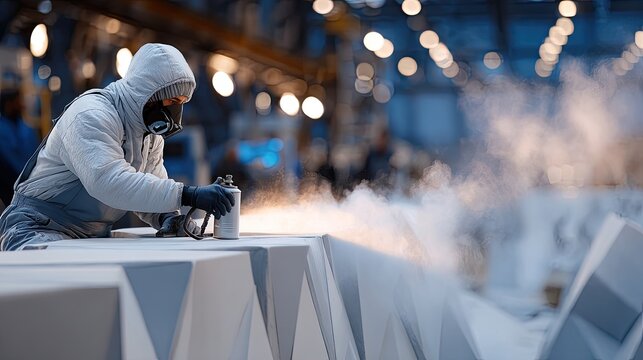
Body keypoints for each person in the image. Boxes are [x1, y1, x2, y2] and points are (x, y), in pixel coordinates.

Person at [0, 43, 235, 251]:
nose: (176, 113)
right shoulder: (91, 114)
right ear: (148, 93)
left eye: (182, 103)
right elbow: (108, 181)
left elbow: (148, 187)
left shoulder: (148, 132)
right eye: (172, 102)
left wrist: (167, 216)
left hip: (88, 238)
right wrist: (189, 195)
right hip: (35, 230)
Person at [0, 87, 39, 206]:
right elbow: (10, 161)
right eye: (18, 101)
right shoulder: (2, 130)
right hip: (11, 190)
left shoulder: (26, 128)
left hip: (32, 186)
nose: (22, 104)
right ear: (9, 104)